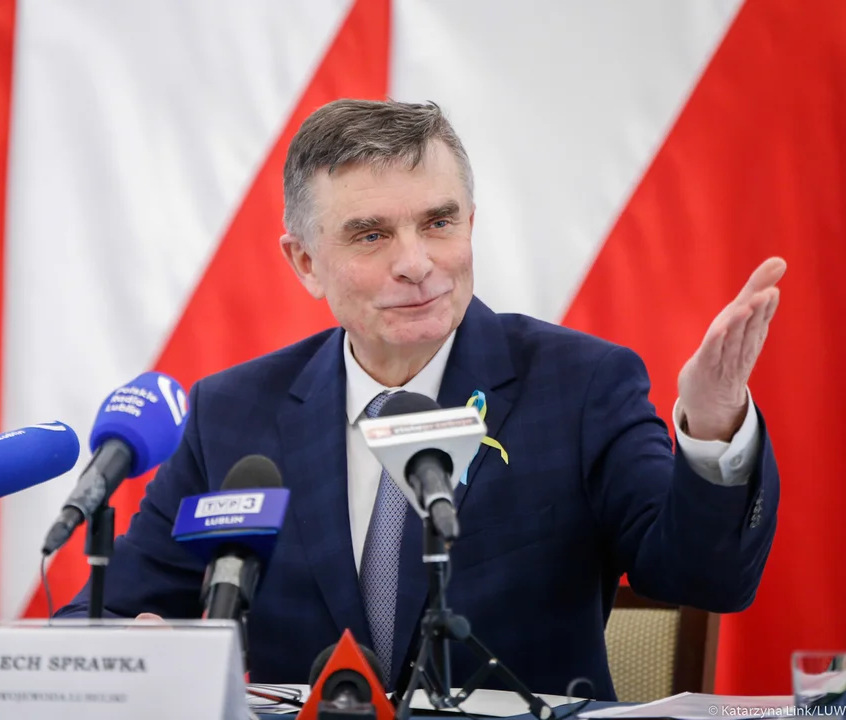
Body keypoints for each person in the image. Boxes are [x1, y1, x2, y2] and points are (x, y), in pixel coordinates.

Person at [56, 99, 782, 701]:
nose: (415, 263)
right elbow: (110, 613)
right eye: (371, 235)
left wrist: (714, 423)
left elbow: (704, 576)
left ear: (470, 223)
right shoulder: (233, 413)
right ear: (305, 261)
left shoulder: (581, 384)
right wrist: (130, 645)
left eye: (438, 223)